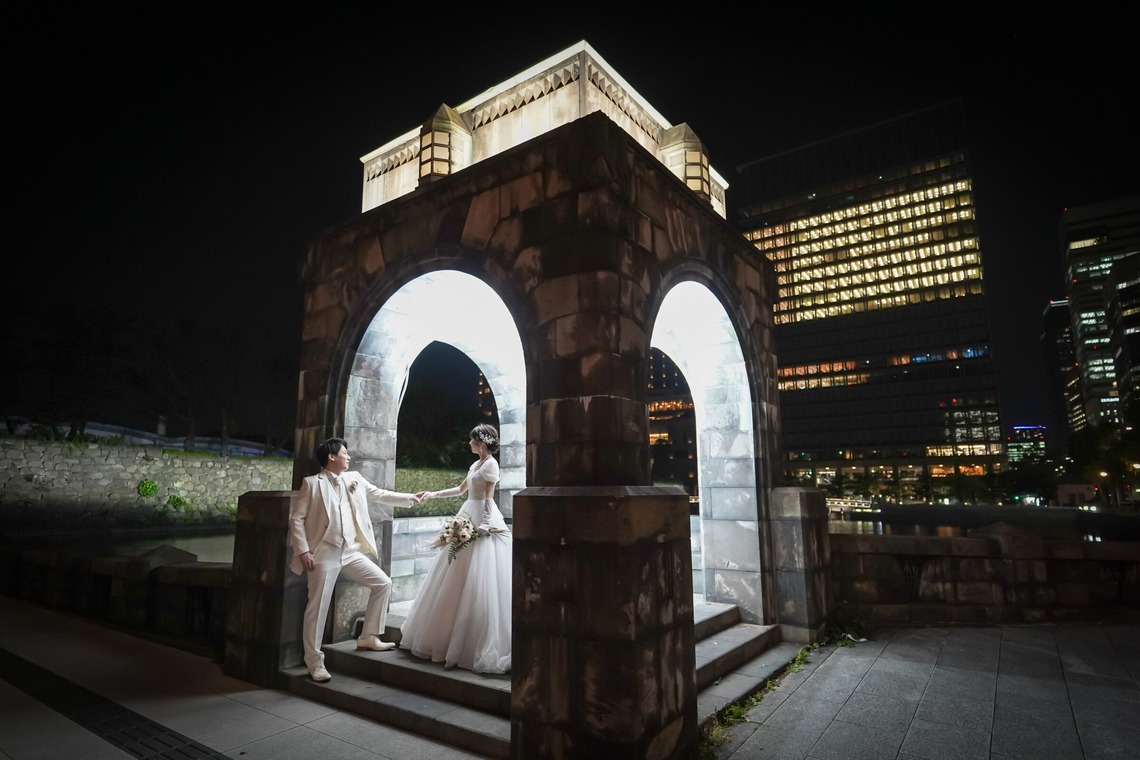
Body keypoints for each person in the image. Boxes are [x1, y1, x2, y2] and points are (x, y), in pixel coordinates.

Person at [290, 437, 424, 682]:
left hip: (350, 551)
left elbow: (380, 494)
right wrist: (303, 551)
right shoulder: (312, 484)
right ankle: (314, 662)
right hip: (325, 553)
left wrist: (410, 498)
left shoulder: (355, 479)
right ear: (332, 456)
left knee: (382, 583)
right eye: (345, 452)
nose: (349, 456)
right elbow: (297, 519)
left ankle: (368, 636)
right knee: (317, 607)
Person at [399, 423, 512, 674]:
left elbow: (489, 498)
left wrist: (484, 525)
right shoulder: (475, 465)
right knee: (454, 570)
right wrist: (433, 494)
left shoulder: (491, 465)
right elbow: (461, 490)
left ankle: (471, 639)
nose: (469, 443)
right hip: (467, 513)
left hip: (482, 517)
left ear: (481, 443)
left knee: (480, 574)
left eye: (472, 440)